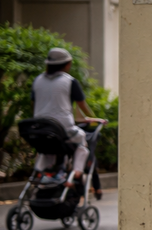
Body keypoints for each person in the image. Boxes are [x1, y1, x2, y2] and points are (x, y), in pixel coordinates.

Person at [32, 48, 105, 195]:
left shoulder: (38, 80)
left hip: (41, 127)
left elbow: (36, 104)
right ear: (66, 64)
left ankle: (42, 172)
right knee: (82, 141)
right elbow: (82, 105)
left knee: (48, 149)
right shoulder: (69, 81)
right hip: (63, 128)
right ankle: (77, 172)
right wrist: (93, 118)